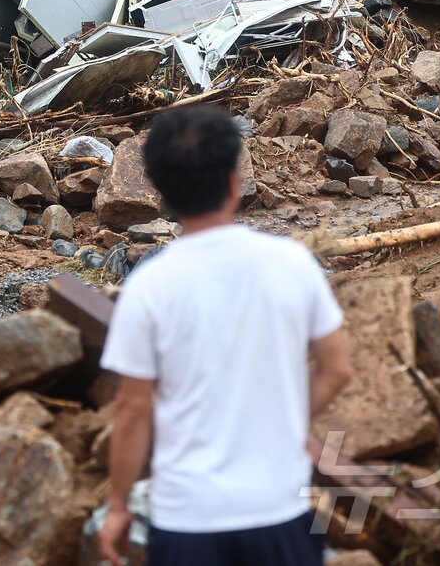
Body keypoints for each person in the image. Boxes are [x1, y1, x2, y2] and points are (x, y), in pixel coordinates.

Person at [97, 105, 353, 566]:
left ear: (160, 192)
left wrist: (118, 507)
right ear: (234, 183)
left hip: (186, 522)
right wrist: (287, 422)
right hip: (279, 511)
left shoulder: (148, 287)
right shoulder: (291, 263)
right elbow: (336, 369)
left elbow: (133, 409)